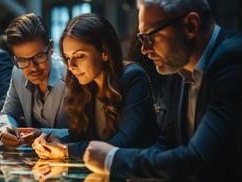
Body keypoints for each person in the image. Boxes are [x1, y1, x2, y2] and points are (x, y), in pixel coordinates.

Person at [83, 0, 242, 181]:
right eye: (142, 38)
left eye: (150, 37)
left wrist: (113, 158)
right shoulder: (179, 66)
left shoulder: (233, 60)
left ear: (190, 25)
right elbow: (167, 142)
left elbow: (199, 160)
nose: (144, 49)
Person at [31, 13, 159, 160]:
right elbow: (79, 136)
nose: (71, 66)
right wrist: (51, 142)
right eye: (67, 57)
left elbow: (122, 142)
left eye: (79, 56)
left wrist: (66, 150)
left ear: (104, 52)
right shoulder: (86, 85)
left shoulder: (133, 77)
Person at [0, 13, 69, 148]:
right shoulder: (18, 71)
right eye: (23, 60)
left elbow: (83, 133)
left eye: (39, 56)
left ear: (51, 47)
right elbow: (8, 112)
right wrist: (5, 131)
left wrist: (43, 134)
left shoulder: (71, 75)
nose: (33, 68)